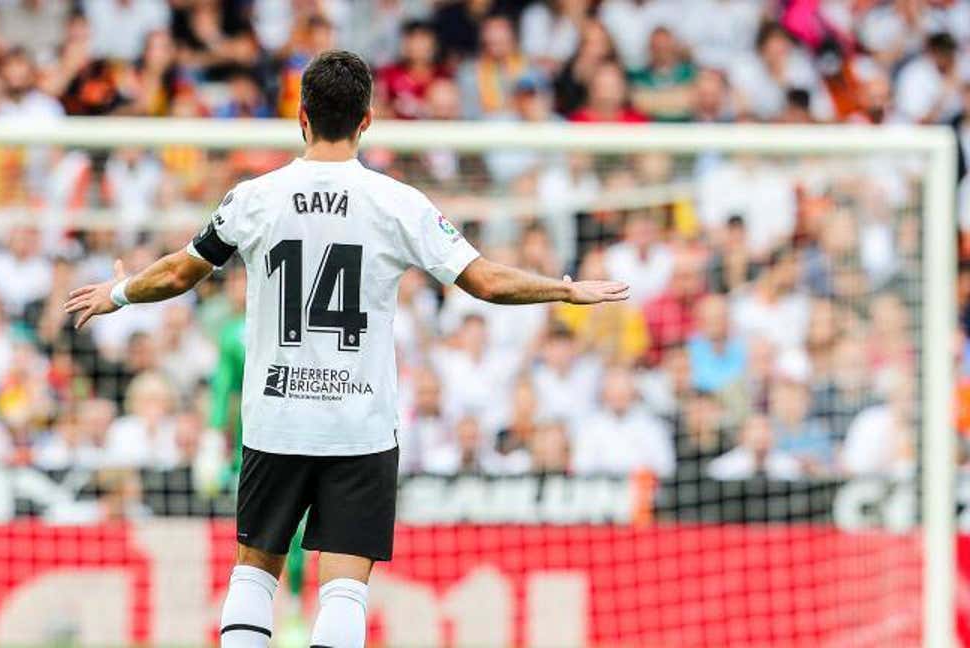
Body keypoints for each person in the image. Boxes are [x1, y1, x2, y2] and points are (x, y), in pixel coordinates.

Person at [64, 50, 629, 648]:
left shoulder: (254, 197)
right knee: (343, 589)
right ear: (367, 121)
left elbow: (182, 272)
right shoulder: (398, 203)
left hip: (276, 419)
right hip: (358, 425)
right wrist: (564, 291)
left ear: (302, 118)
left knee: (254, 573)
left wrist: (118, 292)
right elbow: (484, 281)